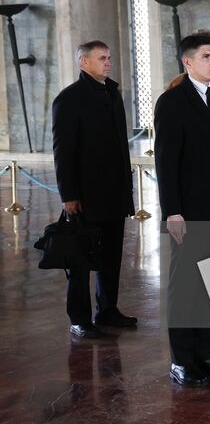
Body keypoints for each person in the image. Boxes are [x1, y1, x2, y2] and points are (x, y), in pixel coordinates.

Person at [154, 33, 210, 387]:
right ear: (187, 62)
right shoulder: (172, 102)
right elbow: (166, 161)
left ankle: (205, 352)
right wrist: (172, 211)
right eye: (207, 56)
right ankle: (182, 359)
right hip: (190, 211)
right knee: (186, 287)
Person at [52, 40, 136, 339]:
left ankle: (107, 309)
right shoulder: (69, 98)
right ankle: (79, 318)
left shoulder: (111, 94)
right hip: (86, 195)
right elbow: (63, 151)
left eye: (109, 57)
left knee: (112, 256)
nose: (108, 63)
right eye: (102, 58)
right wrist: (69, 195)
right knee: (80, 258)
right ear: (83, 62)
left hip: (114, 192)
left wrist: (127, 191)